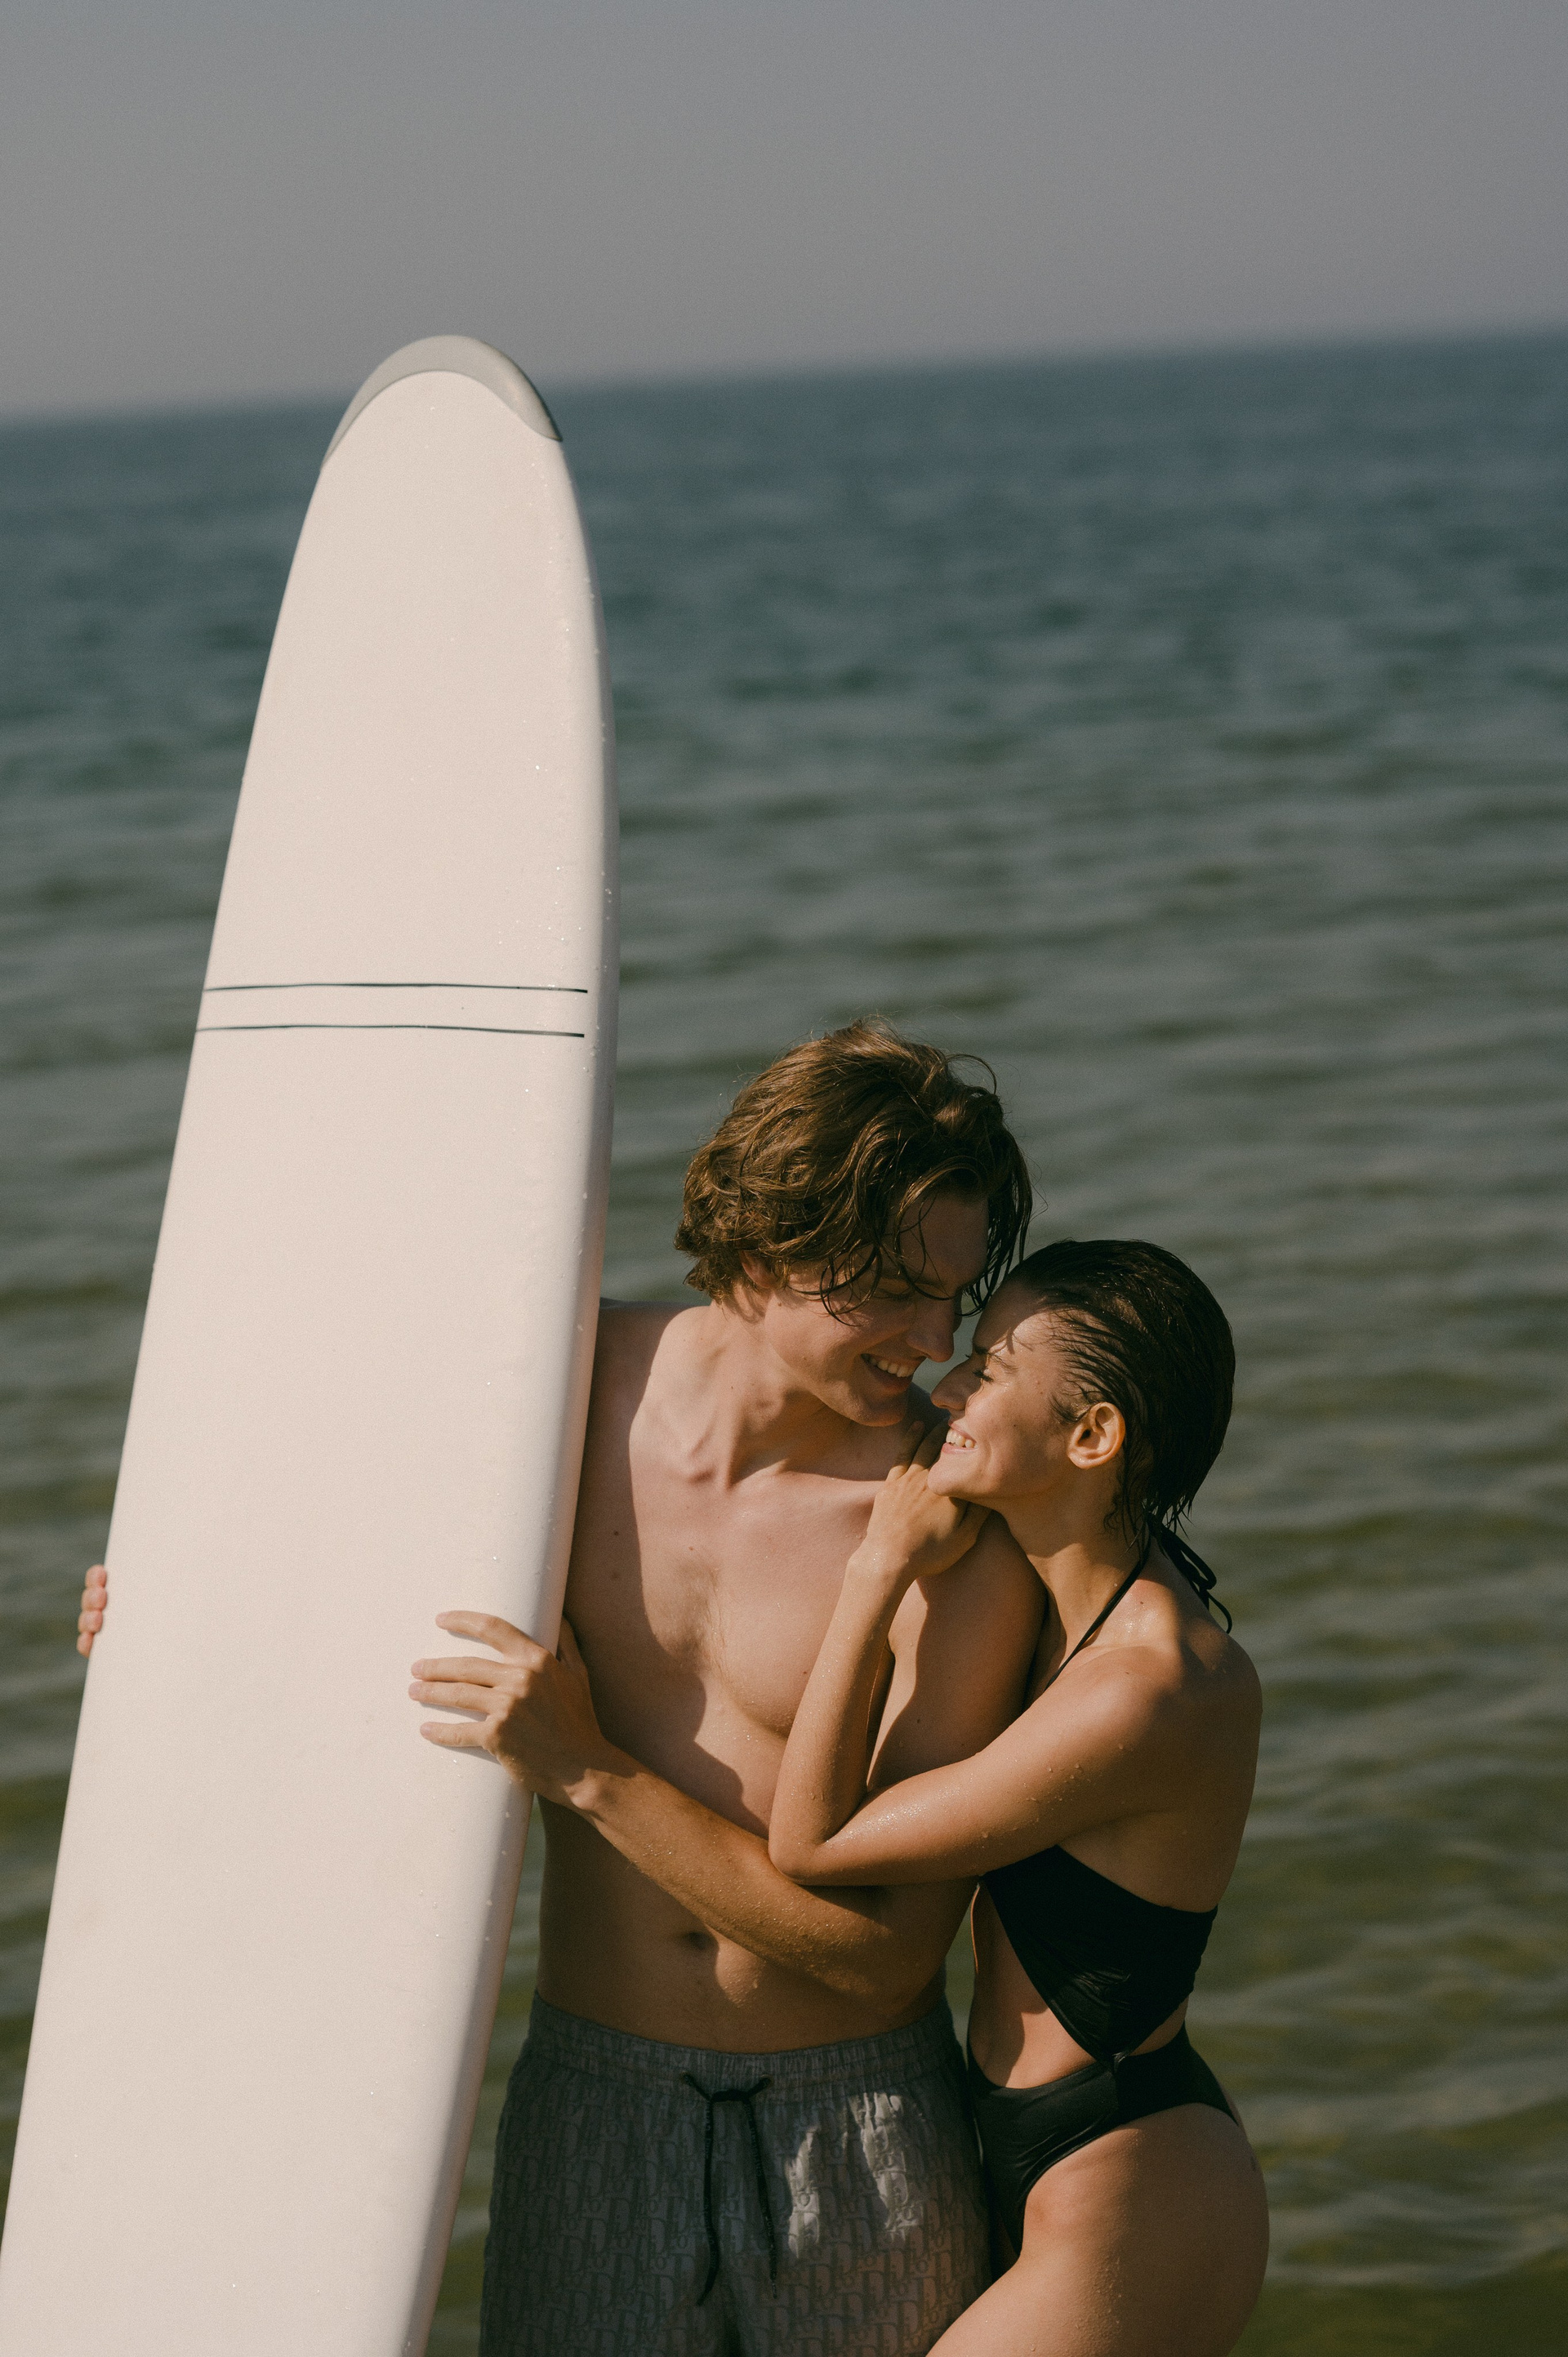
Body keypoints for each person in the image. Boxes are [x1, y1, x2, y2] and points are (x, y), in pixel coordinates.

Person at [80, 1019, 1044, 2357]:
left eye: (954, 1293)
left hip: (865, 2123)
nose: (935, 1341)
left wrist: (590, 1770)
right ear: (772, 1243)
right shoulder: (545, 1406)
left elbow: (883, 1957)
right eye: (894, 1290)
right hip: (599, 2102)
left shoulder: (942, 1525)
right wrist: (164, 1626)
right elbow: (312, 1540)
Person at [489, 1238, 1268, 2356]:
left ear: (1094, 1436)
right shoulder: (1080, 1605)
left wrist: (876, 1568)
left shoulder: (1144, 1688)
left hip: (1131, 2182)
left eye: (991, 1367)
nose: (948, 1379)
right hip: (1046, 2151)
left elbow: (815, 1842)